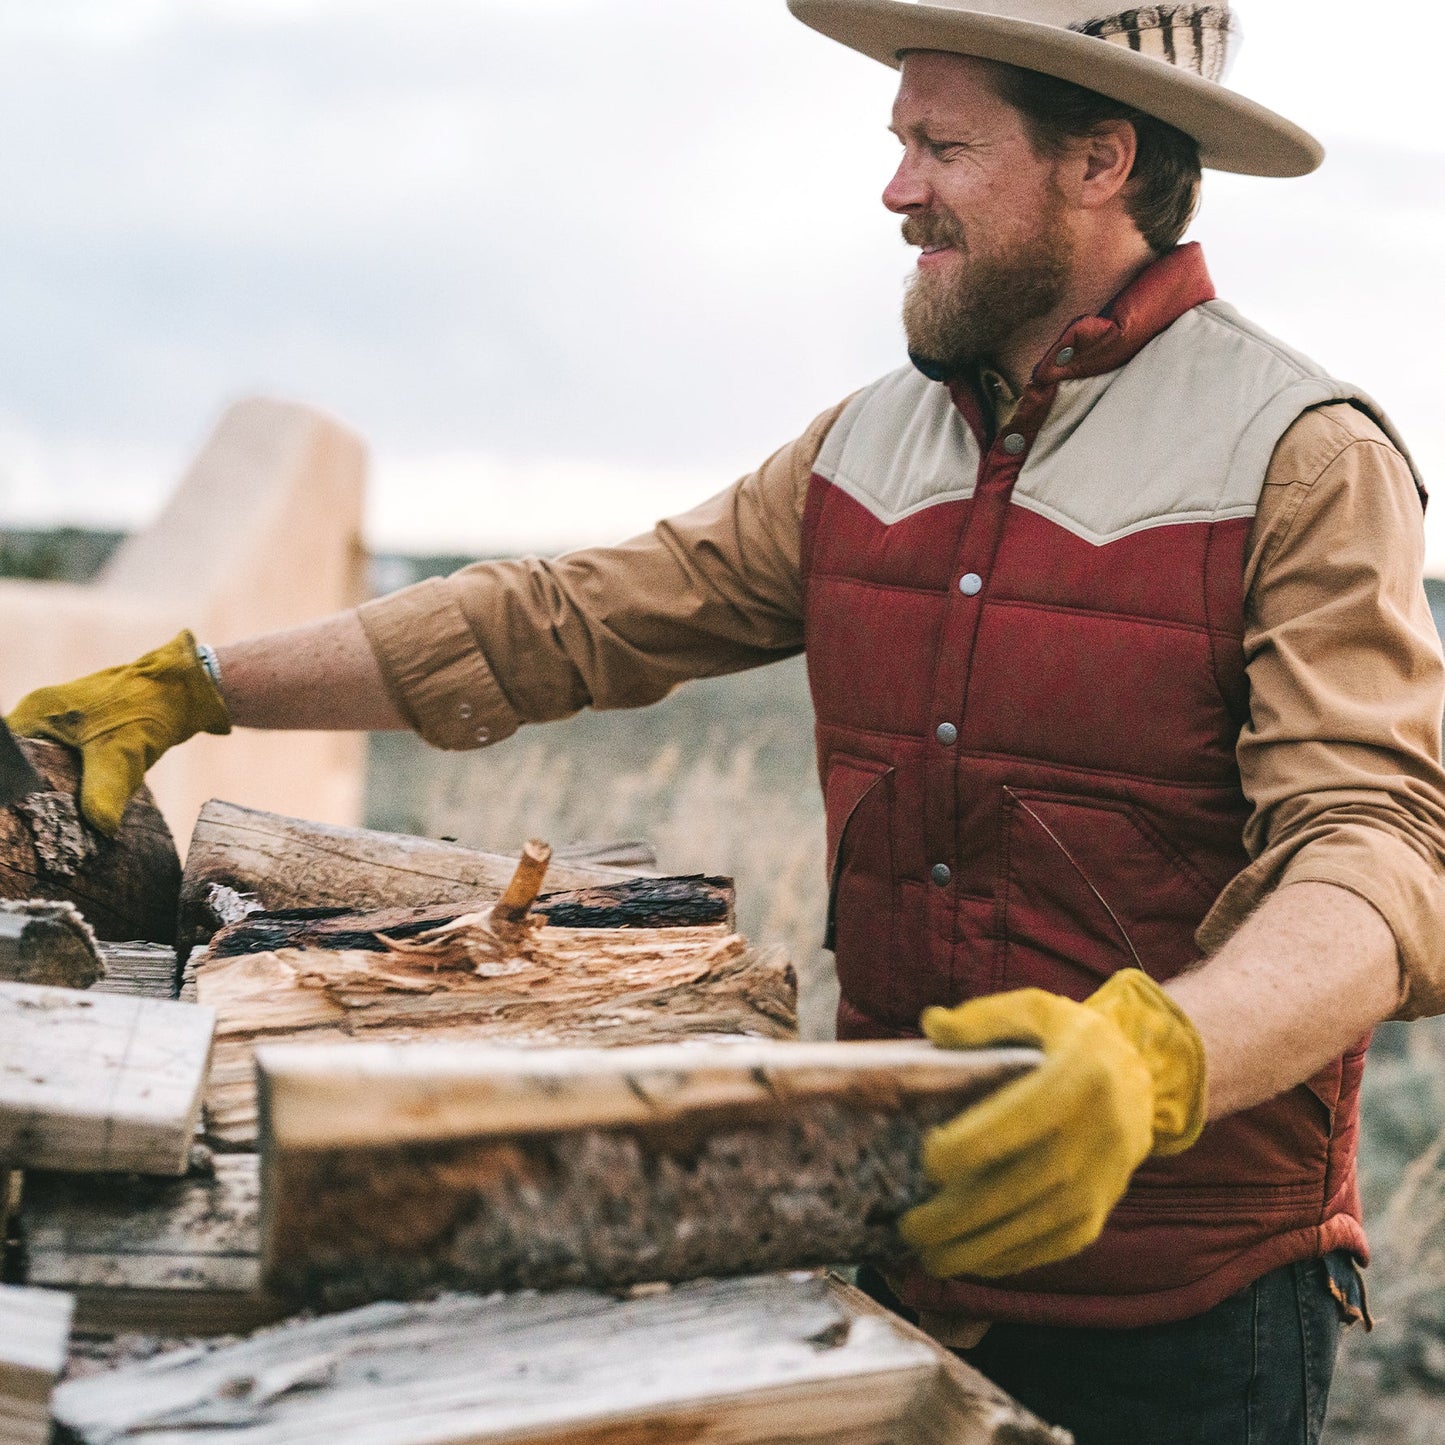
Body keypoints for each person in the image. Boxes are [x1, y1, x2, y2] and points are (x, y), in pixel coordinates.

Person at [11, 3, 1445, 1439]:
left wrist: (1152, 1062)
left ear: (1100, 161)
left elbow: (1380, 862)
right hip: (902, 1265)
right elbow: (556, 618)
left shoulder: (1302, 455)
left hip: (1192, 1319)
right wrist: (200, 681)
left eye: (940, 147)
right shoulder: (859, 450)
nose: (896, 192)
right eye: (898, 145)